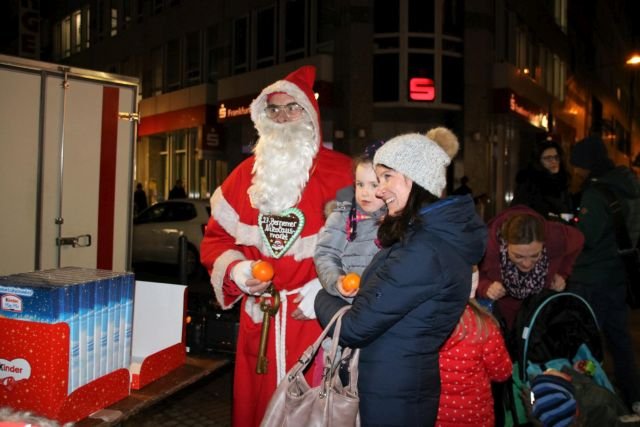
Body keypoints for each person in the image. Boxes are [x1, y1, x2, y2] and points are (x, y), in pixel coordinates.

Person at [199, 65, 353, 427]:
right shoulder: (242, 176)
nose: (283, 117)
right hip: (262, 321)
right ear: (262, 117)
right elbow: (217, 238)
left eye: (292, 107)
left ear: (310, 113)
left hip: (318, 322)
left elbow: (372, 242)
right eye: (274, 109)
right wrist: (239, 270)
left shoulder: (344, 174)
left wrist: (326, 287)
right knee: (259, 407)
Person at [314, 128, 488, 426]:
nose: (379, 190)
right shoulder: (425, 238)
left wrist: (319, 297)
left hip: (393, 392)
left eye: (386, 177)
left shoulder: (424, 250)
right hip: (398, 384)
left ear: (415, 177)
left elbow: (355, 327)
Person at [567, 135, 640, 414]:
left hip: (590, 279)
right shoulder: (628, 187)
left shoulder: (596, 194)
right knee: (619, 341)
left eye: (578, 165)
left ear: (587, 164)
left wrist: (569, 233)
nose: (575, 171)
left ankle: (589, 399)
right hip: (618, 276)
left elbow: (586, 238)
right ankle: (634, 396)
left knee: (585, 342)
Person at [475, 205, 584, 331]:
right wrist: (485, 287)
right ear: (505, 244)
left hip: (539, 313)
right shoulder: (487, 244)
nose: (527, 264)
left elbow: (579, 240)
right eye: (518, 256)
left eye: (535, 255)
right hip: (502, 317)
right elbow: (468, 275)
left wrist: (562, 273)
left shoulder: (555, 236)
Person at [436, 269, 513, 427]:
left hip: (433, 416)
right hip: (476, 416)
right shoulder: (484, 326)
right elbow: (502, 373)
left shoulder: (422, 323)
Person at [314, 140, 387, 301]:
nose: (364, 193)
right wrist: (336, 281)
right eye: (360, 184)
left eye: (373, 185)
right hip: (349, 303)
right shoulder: (343, 217)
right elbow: (326, 254)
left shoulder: (397, 220)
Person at [511, 139, 574, 221]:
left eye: (556, 157)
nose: (553, 161)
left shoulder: (562, 182)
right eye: (548, 158)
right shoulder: (529, 186)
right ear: (538, 161)